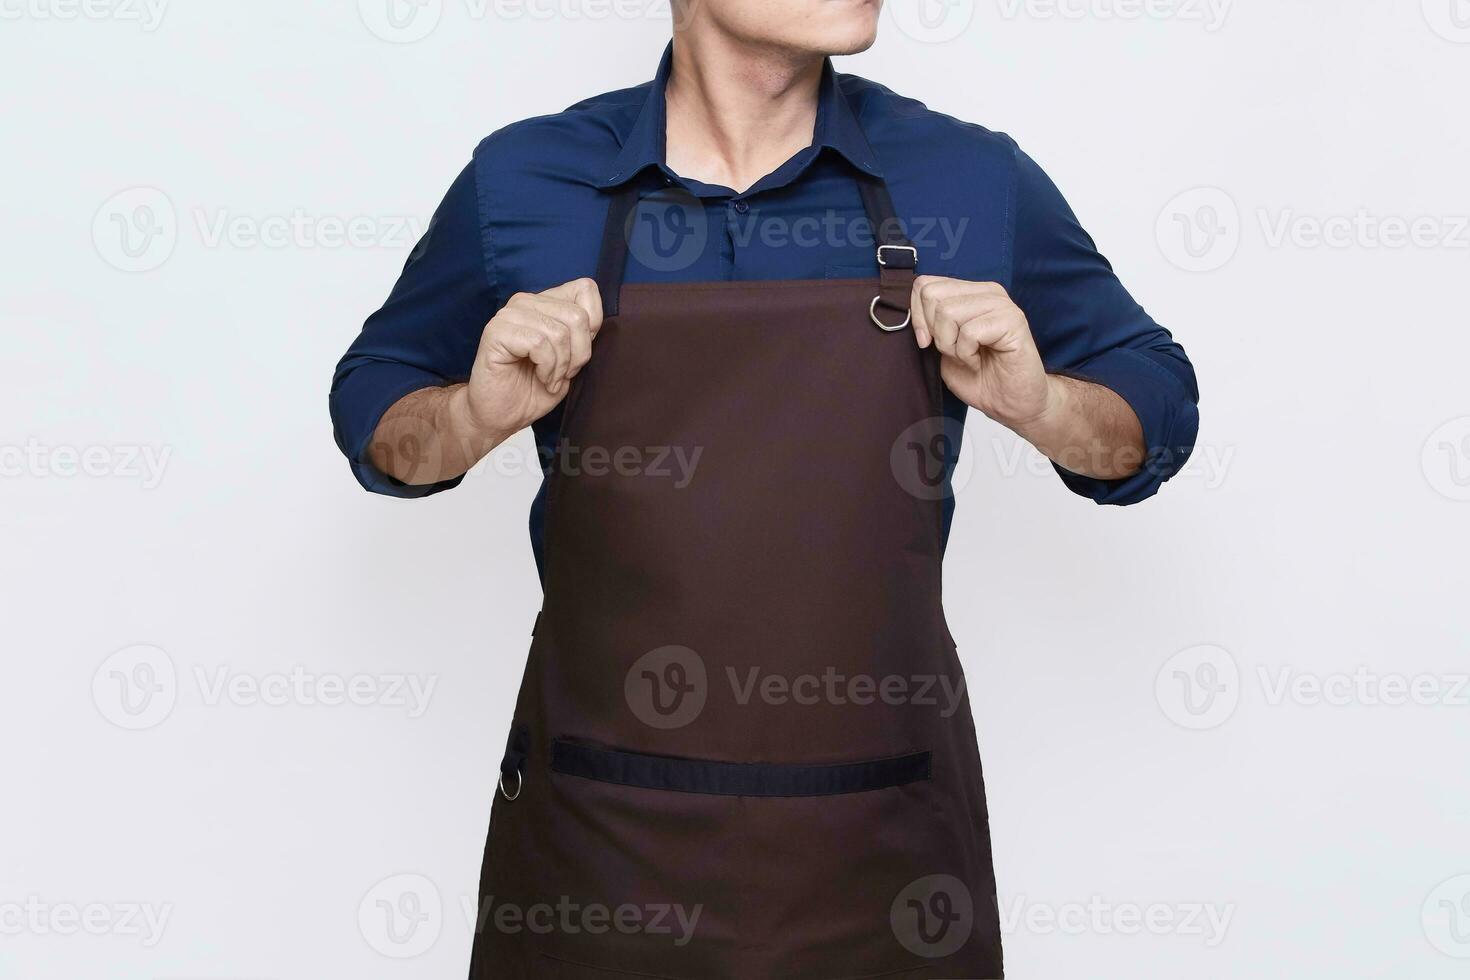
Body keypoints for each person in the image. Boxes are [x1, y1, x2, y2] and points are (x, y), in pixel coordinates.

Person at [330, 2, 1198, 976]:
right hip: (601, 851)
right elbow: (375, 411)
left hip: (878, 857)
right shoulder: (529, 182)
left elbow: (1154, 414)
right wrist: (471, 417)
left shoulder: (964, 179)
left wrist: (1041, 405)